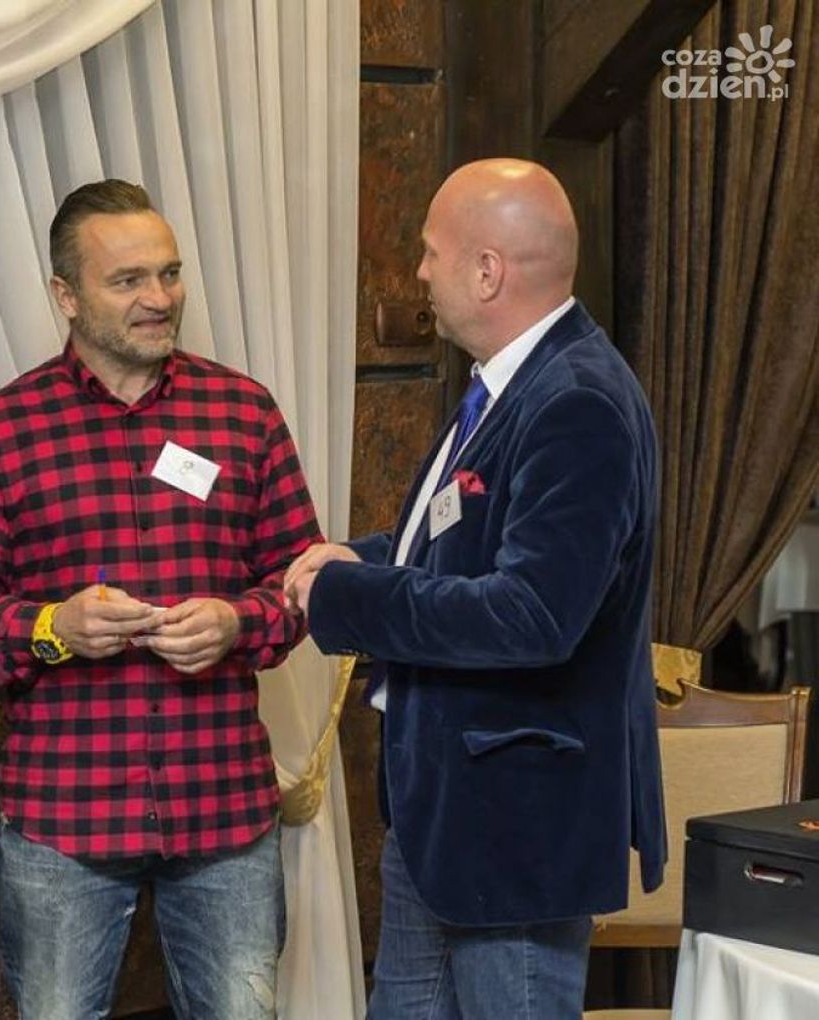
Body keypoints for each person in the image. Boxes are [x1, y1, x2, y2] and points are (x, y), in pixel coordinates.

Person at [0, 179, 321, 1019]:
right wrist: (50, 626)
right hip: (66, 815)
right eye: (129, 280)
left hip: (223, 808)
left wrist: (237, 621)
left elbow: (301, 581)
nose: (160, 298)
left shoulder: (244, 413)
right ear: (66, 295)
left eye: (169, 274)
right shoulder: (3, 429)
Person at [285, 158, 666, 1018]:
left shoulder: (578, 402)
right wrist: (356, 557)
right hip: (447, 817)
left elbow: (532, 615)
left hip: (514, 831)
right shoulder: (511, 383)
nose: (419, 273)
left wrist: (348, 598)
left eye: (429, 252)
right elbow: (460, 544)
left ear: (487, 271)